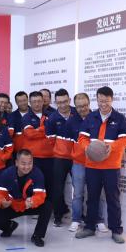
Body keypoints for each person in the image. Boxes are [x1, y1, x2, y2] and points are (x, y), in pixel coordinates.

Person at [76, 86, 126, 244]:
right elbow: (82, 137)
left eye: (106, 101)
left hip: (111, 166)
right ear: (97, 100)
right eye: (100, 101)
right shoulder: (90, 117)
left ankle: (116, 230)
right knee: (92, 197)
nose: (103, 104)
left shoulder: (119, 118)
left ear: (112, 100)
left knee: (113, 198)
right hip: (92, 165)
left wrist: (111, 147)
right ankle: (89, 227)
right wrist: (87, 147)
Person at [0, 149, 53, 247]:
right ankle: (10, 226)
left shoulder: (37, 174)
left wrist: (33, 201)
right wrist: (2, 202)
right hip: (13, 206)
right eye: (23, 163)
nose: (27, 167)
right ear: (16, 163)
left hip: (29, 205)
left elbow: (40, 195)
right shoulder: (7, 174)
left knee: (47, 206)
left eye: (29, 163)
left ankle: (37, 235)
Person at [67, 93, 107, 233]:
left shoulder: (97, 118)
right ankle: (76, 219)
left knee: (97, 193)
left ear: (89, 103)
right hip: (78, 163)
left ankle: (99, 220)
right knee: (78, 193)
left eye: (85, 105)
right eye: (79, 106)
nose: (82, 109)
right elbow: (70, 143)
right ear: (75, 106)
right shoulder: (71, 121)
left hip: (95, 163)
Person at [46, 88, 74, 226]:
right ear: (55, 103)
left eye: (65, 101)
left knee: (81, 188)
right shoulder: (52, 118)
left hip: (76, 158)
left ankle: (82, 215)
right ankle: (58, 216)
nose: (62, 105)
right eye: (59, 102)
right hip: (59, 158)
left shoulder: (77, 113)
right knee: (57, 188)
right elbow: (50, 140)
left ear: (69, 100)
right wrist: (60, 150)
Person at [21, 91, 54, 189]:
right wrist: (45, 128)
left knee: (49, 185)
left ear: (43, 101)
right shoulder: (26, 117)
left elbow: (54, 132)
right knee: (34, 185)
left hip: (50, 156)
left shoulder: (51, 115)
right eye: (34, 101)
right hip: (33, 157)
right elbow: (30, 134)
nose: (37, 104)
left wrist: (38, 130)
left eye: (39, 101)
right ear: (30, 103)